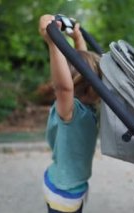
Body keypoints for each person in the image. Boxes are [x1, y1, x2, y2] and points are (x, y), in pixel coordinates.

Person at [38, 14, 102, 213]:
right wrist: (62, 41)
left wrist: (65, 40)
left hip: (69, 187)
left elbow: (73, 81)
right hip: (64, 189)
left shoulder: (80, 109)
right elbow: (68, 85)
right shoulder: (77, 110)